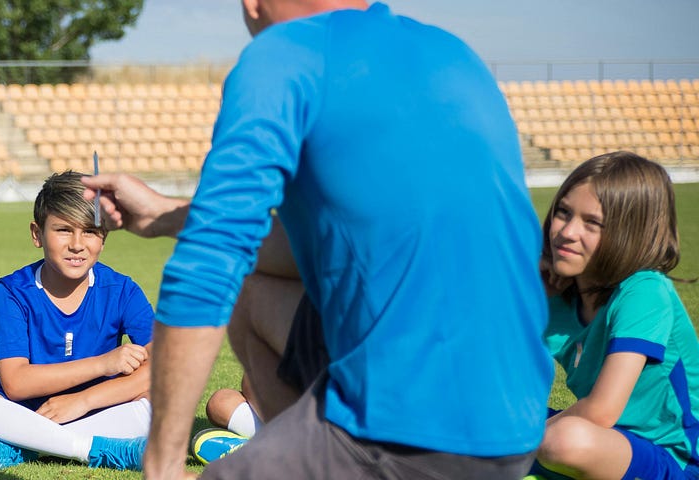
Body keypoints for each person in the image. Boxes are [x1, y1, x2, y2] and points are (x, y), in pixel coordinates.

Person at [83, 0, 553, 478]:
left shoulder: (283, 55)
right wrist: (166, 215)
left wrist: (162, 464)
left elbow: (208, 266)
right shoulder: (452, 54)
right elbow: (323, 244)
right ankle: (296, 444)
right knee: (254, 287)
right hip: (516, 421)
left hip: (407, 432)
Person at [0, 171, 151, 471]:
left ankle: (22, 449)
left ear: (104, 238)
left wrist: (83, 400)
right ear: (37, 233)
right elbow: (16, 383)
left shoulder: (121, 290)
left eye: (91, 232)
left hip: (98, 408)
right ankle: (97, 448)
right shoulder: (13, 290)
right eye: (63, 230)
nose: (77, 244)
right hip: (26, 411)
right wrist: (103, 364)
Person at [533, 151, 699, 480]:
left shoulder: (644, 291)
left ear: (629, 234)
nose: (567, 232)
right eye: (563, 212)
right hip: (603, 444)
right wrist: (525, 288)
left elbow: (600, 411)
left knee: (565, 441)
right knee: (475, 413)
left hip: (673, 458)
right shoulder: (560, 293)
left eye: (592, 223)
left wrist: (514, 444)